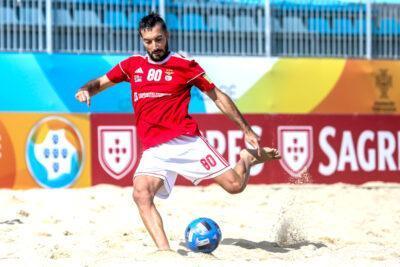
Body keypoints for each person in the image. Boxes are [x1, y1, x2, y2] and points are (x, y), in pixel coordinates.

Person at [75, 12, 280, 251]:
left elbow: (218, 97)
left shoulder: (184, 65)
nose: (154, 46)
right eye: (148, 41)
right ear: (142, 40)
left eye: (158, 39)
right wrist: (86, 90)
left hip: (186, 141)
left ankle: (246, 158)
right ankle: (165, 255)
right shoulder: (132, 65)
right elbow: (99, 83)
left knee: (235, 186)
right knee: (141, 194)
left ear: (167, 36)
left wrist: (246, 129)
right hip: (154, 149)